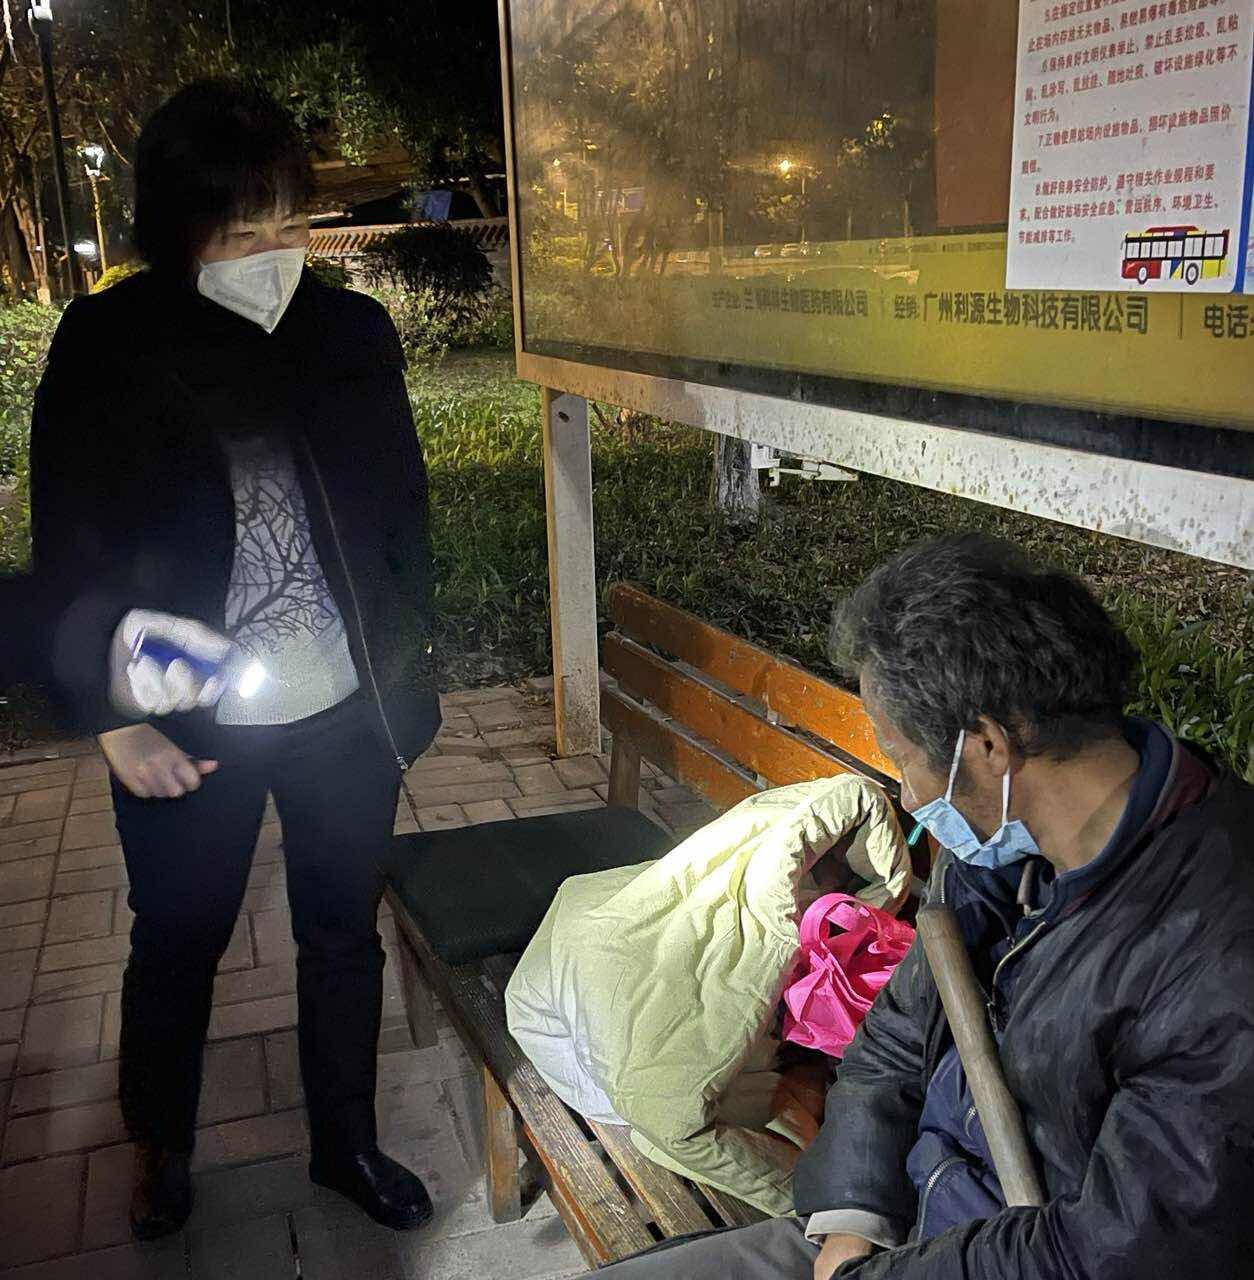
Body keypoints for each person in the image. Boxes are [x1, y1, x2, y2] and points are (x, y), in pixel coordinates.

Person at [590, 534, 1254, 1278]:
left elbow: (1113, 1253)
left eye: (902, 757)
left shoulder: (1216, 967)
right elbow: (900, 1032)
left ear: (988, 745)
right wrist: (853, 1216)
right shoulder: (1010, 846)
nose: (907, 797)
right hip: (904, 1224)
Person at [29, 80, 440, 1240]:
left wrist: (402, 675)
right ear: (176, 227)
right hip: (187, 723)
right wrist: (114, 718)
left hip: (342, 712)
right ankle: (160, 1144)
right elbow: (68, 548)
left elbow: (402, 516)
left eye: (289, 224)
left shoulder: (348, 334)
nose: (271, 254)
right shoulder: (110, 346)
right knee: (179, 936)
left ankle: (346, 1143)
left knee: (340, 933)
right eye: (239, 229)